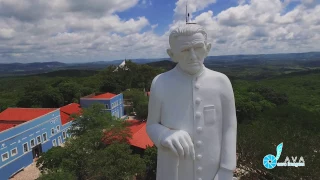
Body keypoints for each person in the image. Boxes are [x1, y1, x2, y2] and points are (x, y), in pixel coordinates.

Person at [146, 24, 237, 180]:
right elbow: (151, 125)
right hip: (175, 171)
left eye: (198, 48)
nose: (193, 56)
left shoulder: (222, 82)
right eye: (184, 50)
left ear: (207, 48)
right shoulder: (160, 82)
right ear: (172, 54)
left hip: (213, 170)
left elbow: (229, 127)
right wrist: (165, 134)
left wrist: (227, 170)